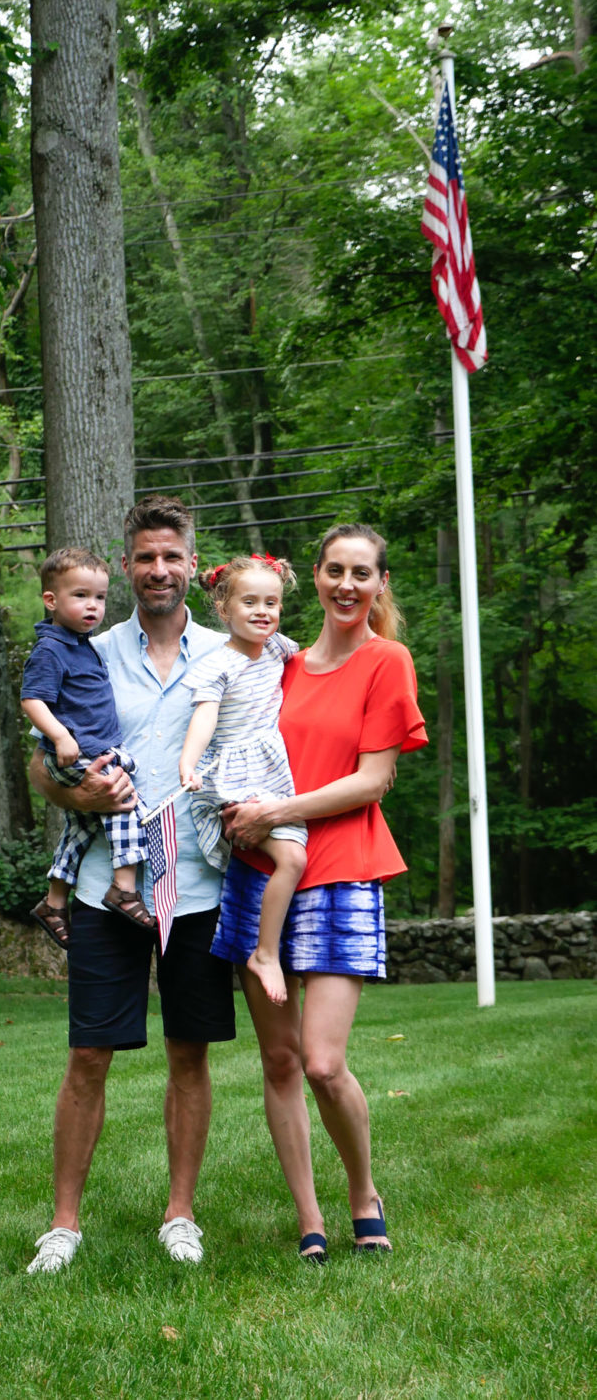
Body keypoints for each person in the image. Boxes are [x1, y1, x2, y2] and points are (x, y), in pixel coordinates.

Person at [24, 496, 234, 1275]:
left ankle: (180, 1214)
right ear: (126, 566)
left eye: (170, 556)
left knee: (190, 1053)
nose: (158, 570)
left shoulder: (224, 652)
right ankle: (64, 1224)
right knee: (89, 1056)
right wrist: (77, 796)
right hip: (99, 887)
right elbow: (41, 764)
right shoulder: (87, 642)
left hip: (197, 888)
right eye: (144, 557)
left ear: (190, 560)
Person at [218, 522, 427, 1261]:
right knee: (277, 1060)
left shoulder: (386, 660)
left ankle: (362, 1189)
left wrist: (276, 810)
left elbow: (373, 778)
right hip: (261, 874)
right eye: (334, 570)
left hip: (342, 869)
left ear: (379, 583)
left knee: (322, 1061)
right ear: (316, 573)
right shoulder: (282, 662)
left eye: (361, 573)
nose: (346, 584)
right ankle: (309, 1218)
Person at [177, 554, 308, 1008]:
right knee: (291, 857)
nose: (262, 611)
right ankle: (264, 954)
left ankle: (267, 951)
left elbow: (321, 663)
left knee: (291, 859)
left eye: (271, 602)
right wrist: (188, 763)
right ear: (223, 608)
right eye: (249, 601)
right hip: (235, 771)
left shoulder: (279, 648)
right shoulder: (217, 664)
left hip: (271, 771)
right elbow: (205, 717)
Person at [20, 546, 157, 948]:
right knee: (127, 807)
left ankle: (53, 901)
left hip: (94, 748)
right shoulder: (51, 649)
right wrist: (61, 737)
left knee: (81, 829)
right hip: (78, 752)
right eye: (80, 596)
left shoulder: (82, 645)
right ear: (51, 600)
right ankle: (124, 889)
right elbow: (32, 699)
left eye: (99, 597)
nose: (92, 606)